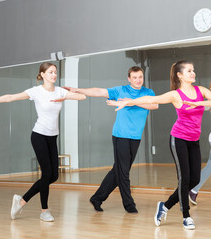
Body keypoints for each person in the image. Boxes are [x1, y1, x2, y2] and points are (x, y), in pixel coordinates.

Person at [107, 60, 211, 230]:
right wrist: (127, 102)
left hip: (194, 140)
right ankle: (186, 216)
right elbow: (151, 99)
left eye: (193, 70)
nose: (193, 73)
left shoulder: (201, 91)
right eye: (189, 71)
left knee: (195, 179)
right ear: (180, 75)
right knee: (184, 178)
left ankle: (166, 206)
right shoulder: (175, 95)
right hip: (179, 139)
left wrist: (199, 103)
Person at [0, 62, 86, 222]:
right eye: (50, 72)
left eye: (55, 72)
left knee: (54, 176)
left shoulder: (59, 91)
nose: (54, 75)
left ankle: (21, 201)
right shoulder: (36, 91)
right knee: (46, 173)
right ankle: (44, 211)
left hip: (53, 137)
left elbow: (82, 97)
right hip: (39, 135)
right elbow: (10, 97)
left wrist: (66, 95)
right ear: (42, 74)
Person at [64, 66, 158, 213]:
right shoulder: (121, 90)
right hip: (121, 135)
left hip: (135, 137)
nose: (138, 80)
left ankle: (97, 198)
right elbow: (99, 91)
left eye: (140, 77)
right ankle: (129, 205)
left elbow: (154, 105)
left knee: (118, 171)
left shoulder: (148, 92)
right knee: (124, 172)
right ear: (129, 78)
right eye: (134, 77)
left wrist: (130, 102)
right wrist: (78, 90)